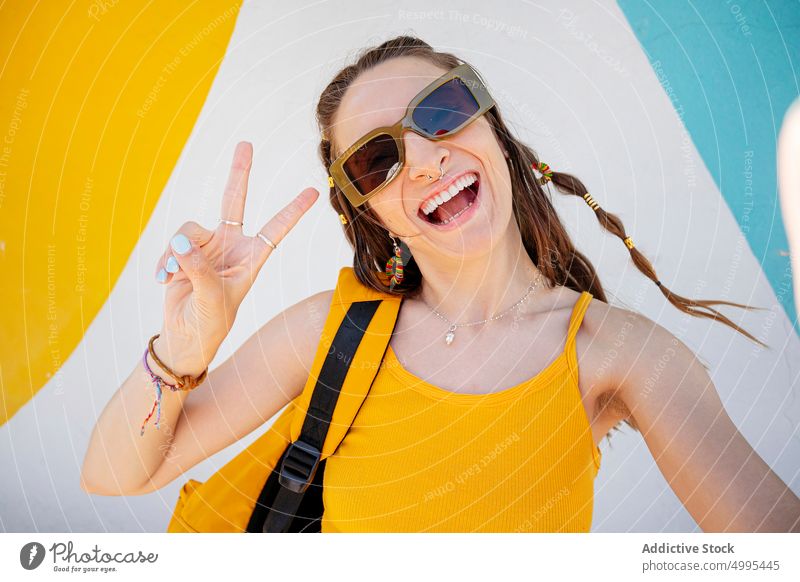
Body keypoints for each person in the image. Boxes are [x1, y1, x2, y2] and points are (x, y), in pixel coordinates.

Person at [81, 35, 800, 532]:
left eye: (444, 111)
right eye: (376, 160)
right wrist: (182, 349)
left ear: (494, 129)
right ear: (372, 214)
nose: (425, 160)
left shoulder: (619, 353)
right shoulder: (329, 330)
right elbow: (115, 474)